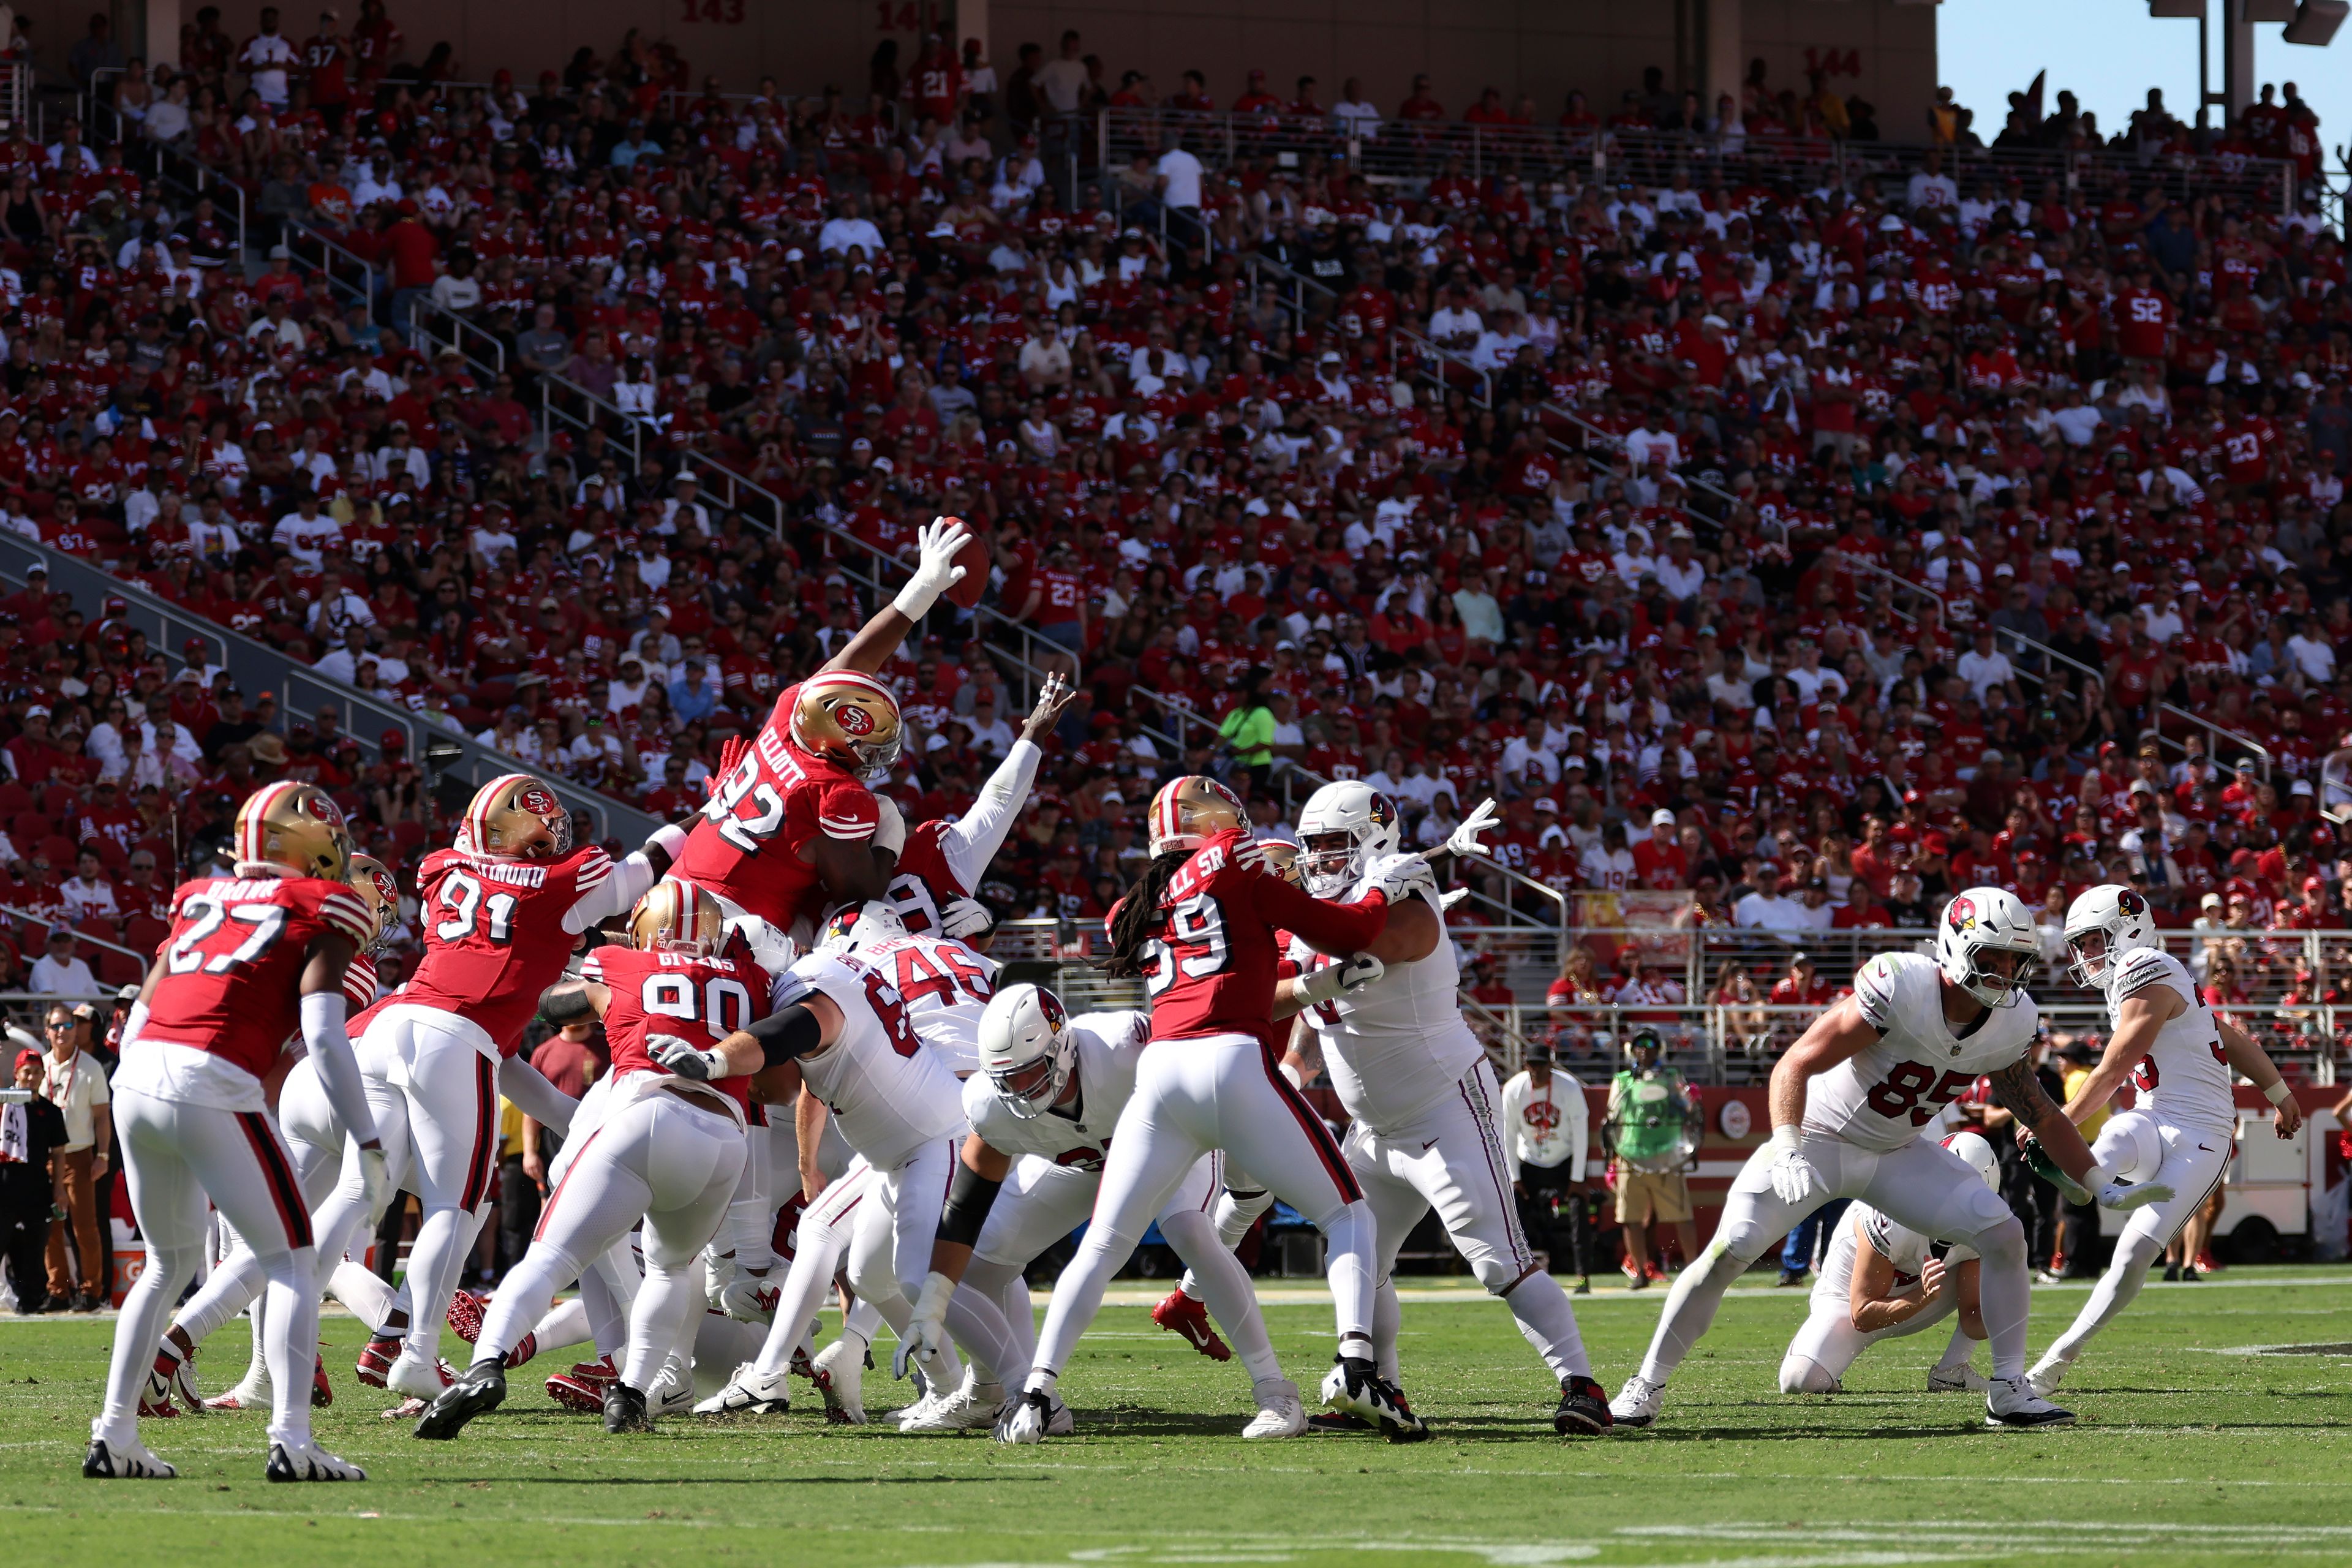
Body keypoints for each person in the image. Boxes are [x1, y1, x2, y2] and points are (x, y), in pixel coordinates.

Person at [1610, 888, 2163, 1431]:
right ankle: (1646, 1384)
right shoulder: (1902, 985)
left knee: (2004, 1235)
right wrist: (1786, 1144)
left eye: (2013, 961)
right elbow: (1795, 1063)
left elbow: (2041, 1114)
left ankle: (2008, 1388)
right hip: (1821, 1138)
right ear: (1952, 947)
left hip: (1895, 1151)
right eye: (1988, 958)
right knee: (1728, 1252)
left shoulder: (2012, 1021)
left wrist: (2096, 1179)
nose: (2000, 973)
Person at [993, 775, 1420, 1442]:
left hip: (1161, 1074)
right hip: (1232, 1060)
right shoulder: (1236, 862)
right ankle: (1357, 1361)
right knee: (1348, 1212)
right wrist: (1381, 888)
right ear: (1218, 820)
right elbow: (1347, 927)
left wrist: (1320, 980)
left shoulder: (1138, 902)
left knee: (1104, 1244)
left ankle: (1037, 1392)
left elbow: (1220, 956)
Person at [304, 774, 686, 1412]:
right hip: (457, 1039)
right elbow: (642, 870)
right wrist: (710, 815)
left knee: (353, 1198)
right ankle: (415, 1354)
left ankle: (322, 1342)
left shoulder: (440, 871)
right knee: (456, 1209)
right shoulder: (559, 885)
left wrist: (579, 1120)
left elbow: (510, 1052)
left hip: (390, 1028)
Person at [1275, 781, 1610, 1434]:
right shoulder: (1326, 911)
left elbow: (1361, 944)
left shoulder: (1409, 901)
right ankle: (1383, 1389)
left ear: (1373, 843)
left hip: (1442, 1109)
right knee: (1358, 1258)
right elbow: (1311, 1004)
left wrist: (1312, 917)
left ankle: (1583, 1383)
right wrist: (1295, 1062)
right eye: (1311, 847)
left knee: (1498, 1262)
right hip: (1372, 1128)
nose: (1316, 861)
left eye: (1333, 845)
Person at [88, 782, 383, 1482]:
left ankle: (114, 1434)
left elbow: (146, 1001)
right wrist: (367, 1140)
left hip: (138, 1074)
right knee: (293, 1260)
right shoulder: (322, 904)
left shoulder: (198, 897)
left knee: (166, 1265)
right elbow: (322, 1035)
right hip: (211, 1078)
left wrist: (142, 1072)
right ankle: (292, 1441)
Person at [415, 881, 767, 1438]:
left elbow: (557, 1003)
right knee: (671, 1269)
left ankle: (486, 1365)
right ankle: (632, 1394)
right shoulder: (752, 979)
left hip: (646, 1111)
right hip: (724, 1140)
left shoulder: (621, 962)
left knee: (550, 1257)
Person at [889, 982, 1301, 1437]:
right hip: (1084, 1163)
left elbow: (1212, 1021)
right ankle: (993, 1393)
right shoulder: (992, 1104)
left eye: (1031, 1073)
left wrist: (1306, 989)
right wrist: (932, 1302)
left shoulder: (1123, 1045)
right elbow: (966, 1209)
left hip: (1175, 1142)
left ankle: (1276, 1393)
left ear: (1062, 1048)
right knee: (981, 1266)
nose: (1022, 1090)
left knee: (1189, 1231)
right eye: (1009, 1079)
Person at [144, 854, 402, 1415]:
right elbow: (304, 1042)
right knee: (288, 1249)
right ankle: (396, 1331)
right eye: (374, 909)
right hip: (275, 1100)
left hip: (191, 1085)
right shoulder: (330, 954)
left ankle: (262, 1369)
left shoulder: (231, 918)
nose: (377, 924)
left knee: (264, 1248)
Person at [2029, 886, 2304, 1394]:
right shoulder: (2150, 976)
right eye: (2080, 945)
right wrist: (2279, 1090)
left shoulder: (2147, 965)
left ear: (2125, 928)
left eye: (2092, 941)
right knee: (2121, 1129)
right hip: (2154, 1115)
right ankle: (2093, 1182)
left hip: (2202, 1135)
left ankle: (2058, 1358)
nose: (2084, 955)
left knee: (2134, 1253)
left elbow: (2114, 1068)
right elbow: (2225, 1033)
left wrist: (2054, 1122)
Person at [667, 519, 974, 938]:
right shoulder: (837, 793)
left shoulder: (789, 715)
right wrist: (890, 835)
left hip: (672, 891)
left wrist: (920, 590)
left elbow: (853, 663)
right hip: (732, 934)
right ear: (847, 746)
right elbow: (861, 891)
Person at [1778, 1131, 2000, 1396]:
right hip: (1847, 1303)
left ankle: (1951, 1371)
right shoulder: (1892, 1213)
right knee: (1799, 1380)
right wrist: (1921, 1297)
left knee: (1997, 1270)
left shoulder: (1983, 1226)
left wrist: (2006, 1313)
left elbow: (1973, 1319)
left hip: (1924, 1292)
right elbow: (1862, 1314)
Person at [1604, 1028, 1698, 1285]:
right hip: (1631, 1155)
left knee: (1682, 1214)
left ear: (1660, 1050)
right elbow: (1612, 1120)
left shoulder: (1671, 1078)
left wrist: (1688, 1100)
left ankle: (1693, 1271)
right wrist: (1613, 1161)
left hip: (1666, 1155)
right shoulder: (1623, 1080)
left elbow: (1689, 1109)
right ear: (1631, 1050)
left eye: (1650, 1044)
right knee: (1630, 1218)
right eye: (1639, 1045)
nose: (1644, 1050)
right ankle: (1640, 1271)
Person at [1500, 1043, 1593, 1293]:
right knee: (1515, 1214)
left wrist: (1577, 1177)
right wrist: (1514, 1177)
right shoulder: (1514, 1089)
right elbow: (1508, 1135)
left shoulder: (1569, 1087)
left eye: (1541, 1065)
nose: (1536, 1070)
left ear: (1551, 1064)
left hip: (1564, 1159)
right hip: (1529, 1160)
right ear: (1525, 1064)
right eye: (1532, 1064)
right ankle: (1518, 1275)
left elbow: (1581, 1134)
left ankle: (1583, 1275)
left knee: (1578, 1211)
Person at [39, 1003, 111, 1311]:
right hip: (45, 1158)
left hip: (80, 1154)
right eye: (56, 1026)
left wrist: (103, 1155)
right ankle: (58, 1291)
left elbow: (102, 1118)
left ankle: (91, 1291)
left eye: (67, 1026)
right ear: (47, 1032)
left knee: (85, 1227)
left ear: (76, 1030)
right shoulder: (39, 1066)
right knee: (50, 1228)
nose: (61, 1032)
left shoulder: (91, 1067)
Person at [2, 1047, 68, 1313]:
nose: (31, 1077)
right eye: (26, 1072)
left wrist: (59, 1189)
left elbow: (59, 1152)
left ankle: (30, 1302)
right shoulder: (3, 1105)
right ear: (16, 1073)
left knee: (34, 1250)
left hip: (36, 1189)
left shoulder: (50, 1111)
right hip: (4, 1187)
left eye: (37, 1072)